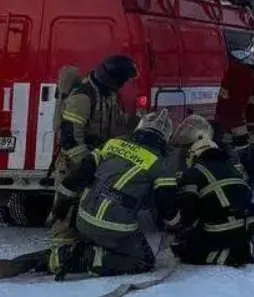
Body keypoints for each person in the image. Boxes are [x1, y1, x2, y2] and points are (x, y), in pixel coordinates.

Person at [50, 110, 181, 279]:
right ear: (166, 137)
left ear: (140, 127)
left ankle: (64, 254)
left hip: (82, 220)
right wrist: (177, 225)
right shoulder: (162, 165)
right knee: (145, 260)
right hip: (116, 229)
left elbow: (80, 174)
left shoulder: (113, 143)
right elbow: (166, 208)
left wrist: (61, 203)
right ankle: (93, 258)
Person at [49, 54, 139, 276]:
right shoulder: (83, 96)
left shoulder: (107, 96)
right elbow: (69, 135)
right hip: (73, 164)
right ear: (114, 78)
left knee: (86, 210)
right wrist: (85, 165)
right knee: (66, 215)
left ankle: (78, 254)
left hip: (93, 162)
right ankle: (59, 260)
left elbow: (116, 130)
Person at [168, 115, 254, 267]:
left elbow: (187, 215)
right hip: (250, 227)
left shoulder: (194, 173)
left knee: (183, 251)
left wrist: (174, 226)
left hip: (226, 232)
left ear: (192, 153)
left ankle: (229, 255)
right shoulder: (231, 166)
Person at [215, 32, 254, 190]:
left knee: (245, 176)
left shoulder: (247, 72)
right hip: (235, 140)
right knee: (246, 177)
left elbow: (246, 103)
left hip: (240, 138)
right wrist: (242, 140)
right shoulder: (242, 73)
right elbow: (231, 108)